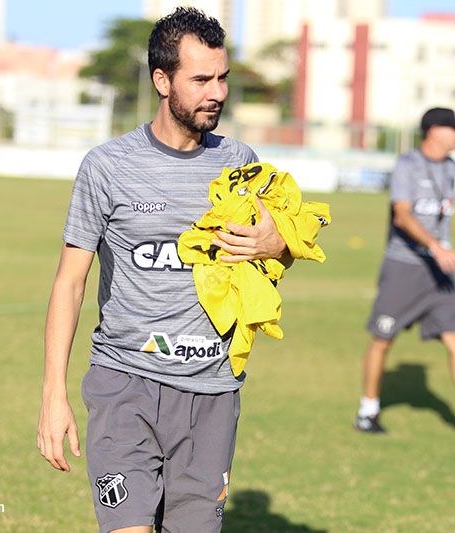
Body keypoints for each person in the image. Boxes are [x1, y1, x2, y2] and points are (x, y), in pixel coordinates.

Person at [36, 8, 292, 533]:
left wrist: (278, 243)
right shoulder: (106, 166)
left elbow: (271, 256)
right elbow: (69, 282)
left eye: (222, 77)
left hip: (212, 391)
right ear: (162, 80)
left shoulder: (240, 161)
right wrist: (52, 396)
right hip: (125, 384)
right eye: (200, 79)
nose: (216, 91)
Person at [354, 107, 455, 443]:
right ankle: (367, 411)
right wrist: (436, 246)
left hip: (439, 274)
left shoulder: (451, 166)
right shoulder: (407, 166)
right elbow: (402, 216)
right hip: (405, 268)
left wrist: (440, 250)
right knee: (383, 340)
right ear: (435, 130)